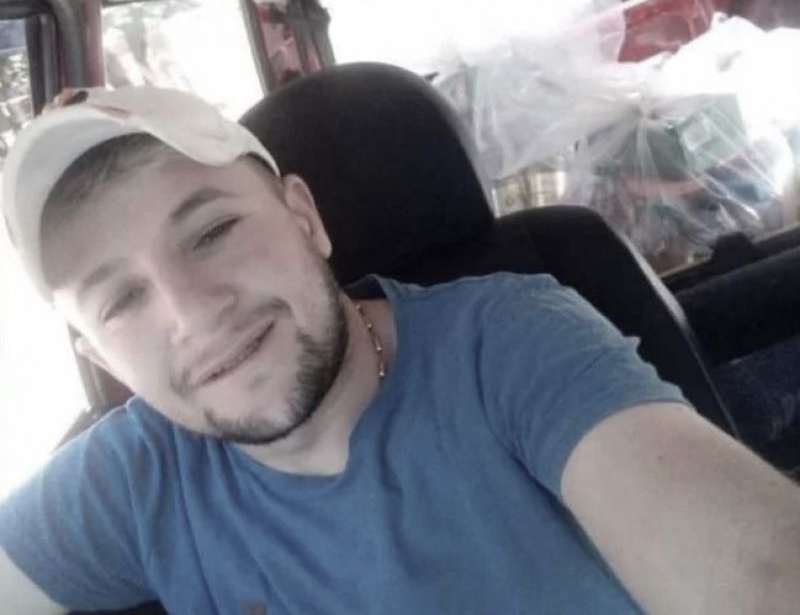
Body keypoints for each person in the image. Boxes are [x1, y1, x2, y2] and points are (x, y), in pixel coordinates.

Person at [0, 85, 798, 615]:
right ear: (102, 360)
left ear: (303, 218)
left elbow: (760, 573)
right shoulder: (133, 477)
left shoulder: (508, 340)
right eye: (122, 300)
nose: (192, 312)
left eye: (212, 231)